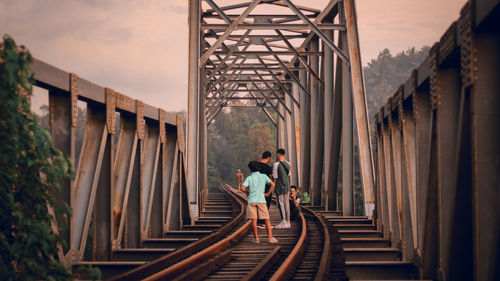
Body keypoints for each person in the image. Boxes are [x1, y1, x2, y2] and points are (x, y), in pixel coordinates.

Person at [241, 161, 278, 244]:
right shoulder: (264, 176)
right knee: (266, 220)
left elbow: (242, 188)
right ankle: (270, 238)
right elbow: (273, 184)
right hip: (261, 200)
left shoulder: (249, 178)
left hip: (252, 201)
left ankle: (256, 239)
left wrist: (247, 192)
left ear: (250, 169)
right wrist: (268, 194)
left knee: (254, 220)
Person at [272, 148, 291, 229]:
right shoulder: (289, 164)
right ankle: (288, 222)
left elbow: (275, 176)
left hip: (279, 186)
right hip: (287, 186)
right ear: (284, 154)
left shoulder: (276, 164)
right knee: (287, 204)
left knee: (281, 204)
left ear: (278, 154)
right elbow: (288, 175)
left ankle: (283, 221)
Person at [255, 151, 274, 229]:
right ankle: (262, 223)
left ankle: (258, 221)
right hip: (266, 188)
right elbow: (271, 178)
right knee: (266, 205)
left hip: (257, 187)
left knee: (258, 204)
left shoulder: (256, 166)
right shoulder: (268, 168)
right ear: (268, 158)